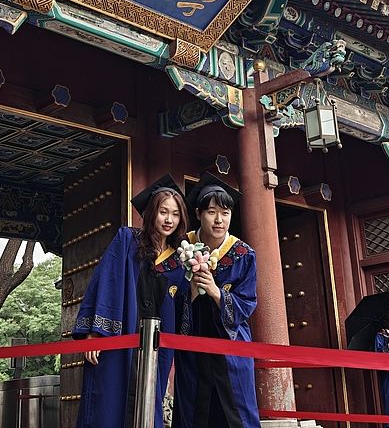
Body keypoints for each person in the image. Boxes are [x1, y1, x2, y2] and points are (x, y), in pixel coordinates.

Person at [72, 174, 189, 428]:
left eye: (175, 214)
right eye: (163, 212)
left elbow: (184, 307)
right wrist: (96, 332)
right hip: (121, 336)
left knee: (149, 406)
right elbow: (106, 280)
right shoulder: (128, 241)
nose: (169, 220)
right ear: (151, 213)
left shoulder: (180, 261)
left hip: (156, 347)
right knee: (109, 405)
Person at [173, 173, 260, 428]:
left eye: (225, 213)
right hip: (193, 348)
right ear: (198, 213)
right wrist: (190, 292)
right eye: (212, 212)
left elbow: (247, 304)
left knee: (236, 414)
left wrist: (215, 291)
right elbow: (167, 299)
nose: (219, 220)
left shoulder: (243, 254)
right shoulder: (181, 249)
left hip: (231, 348)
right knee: (194, 414)